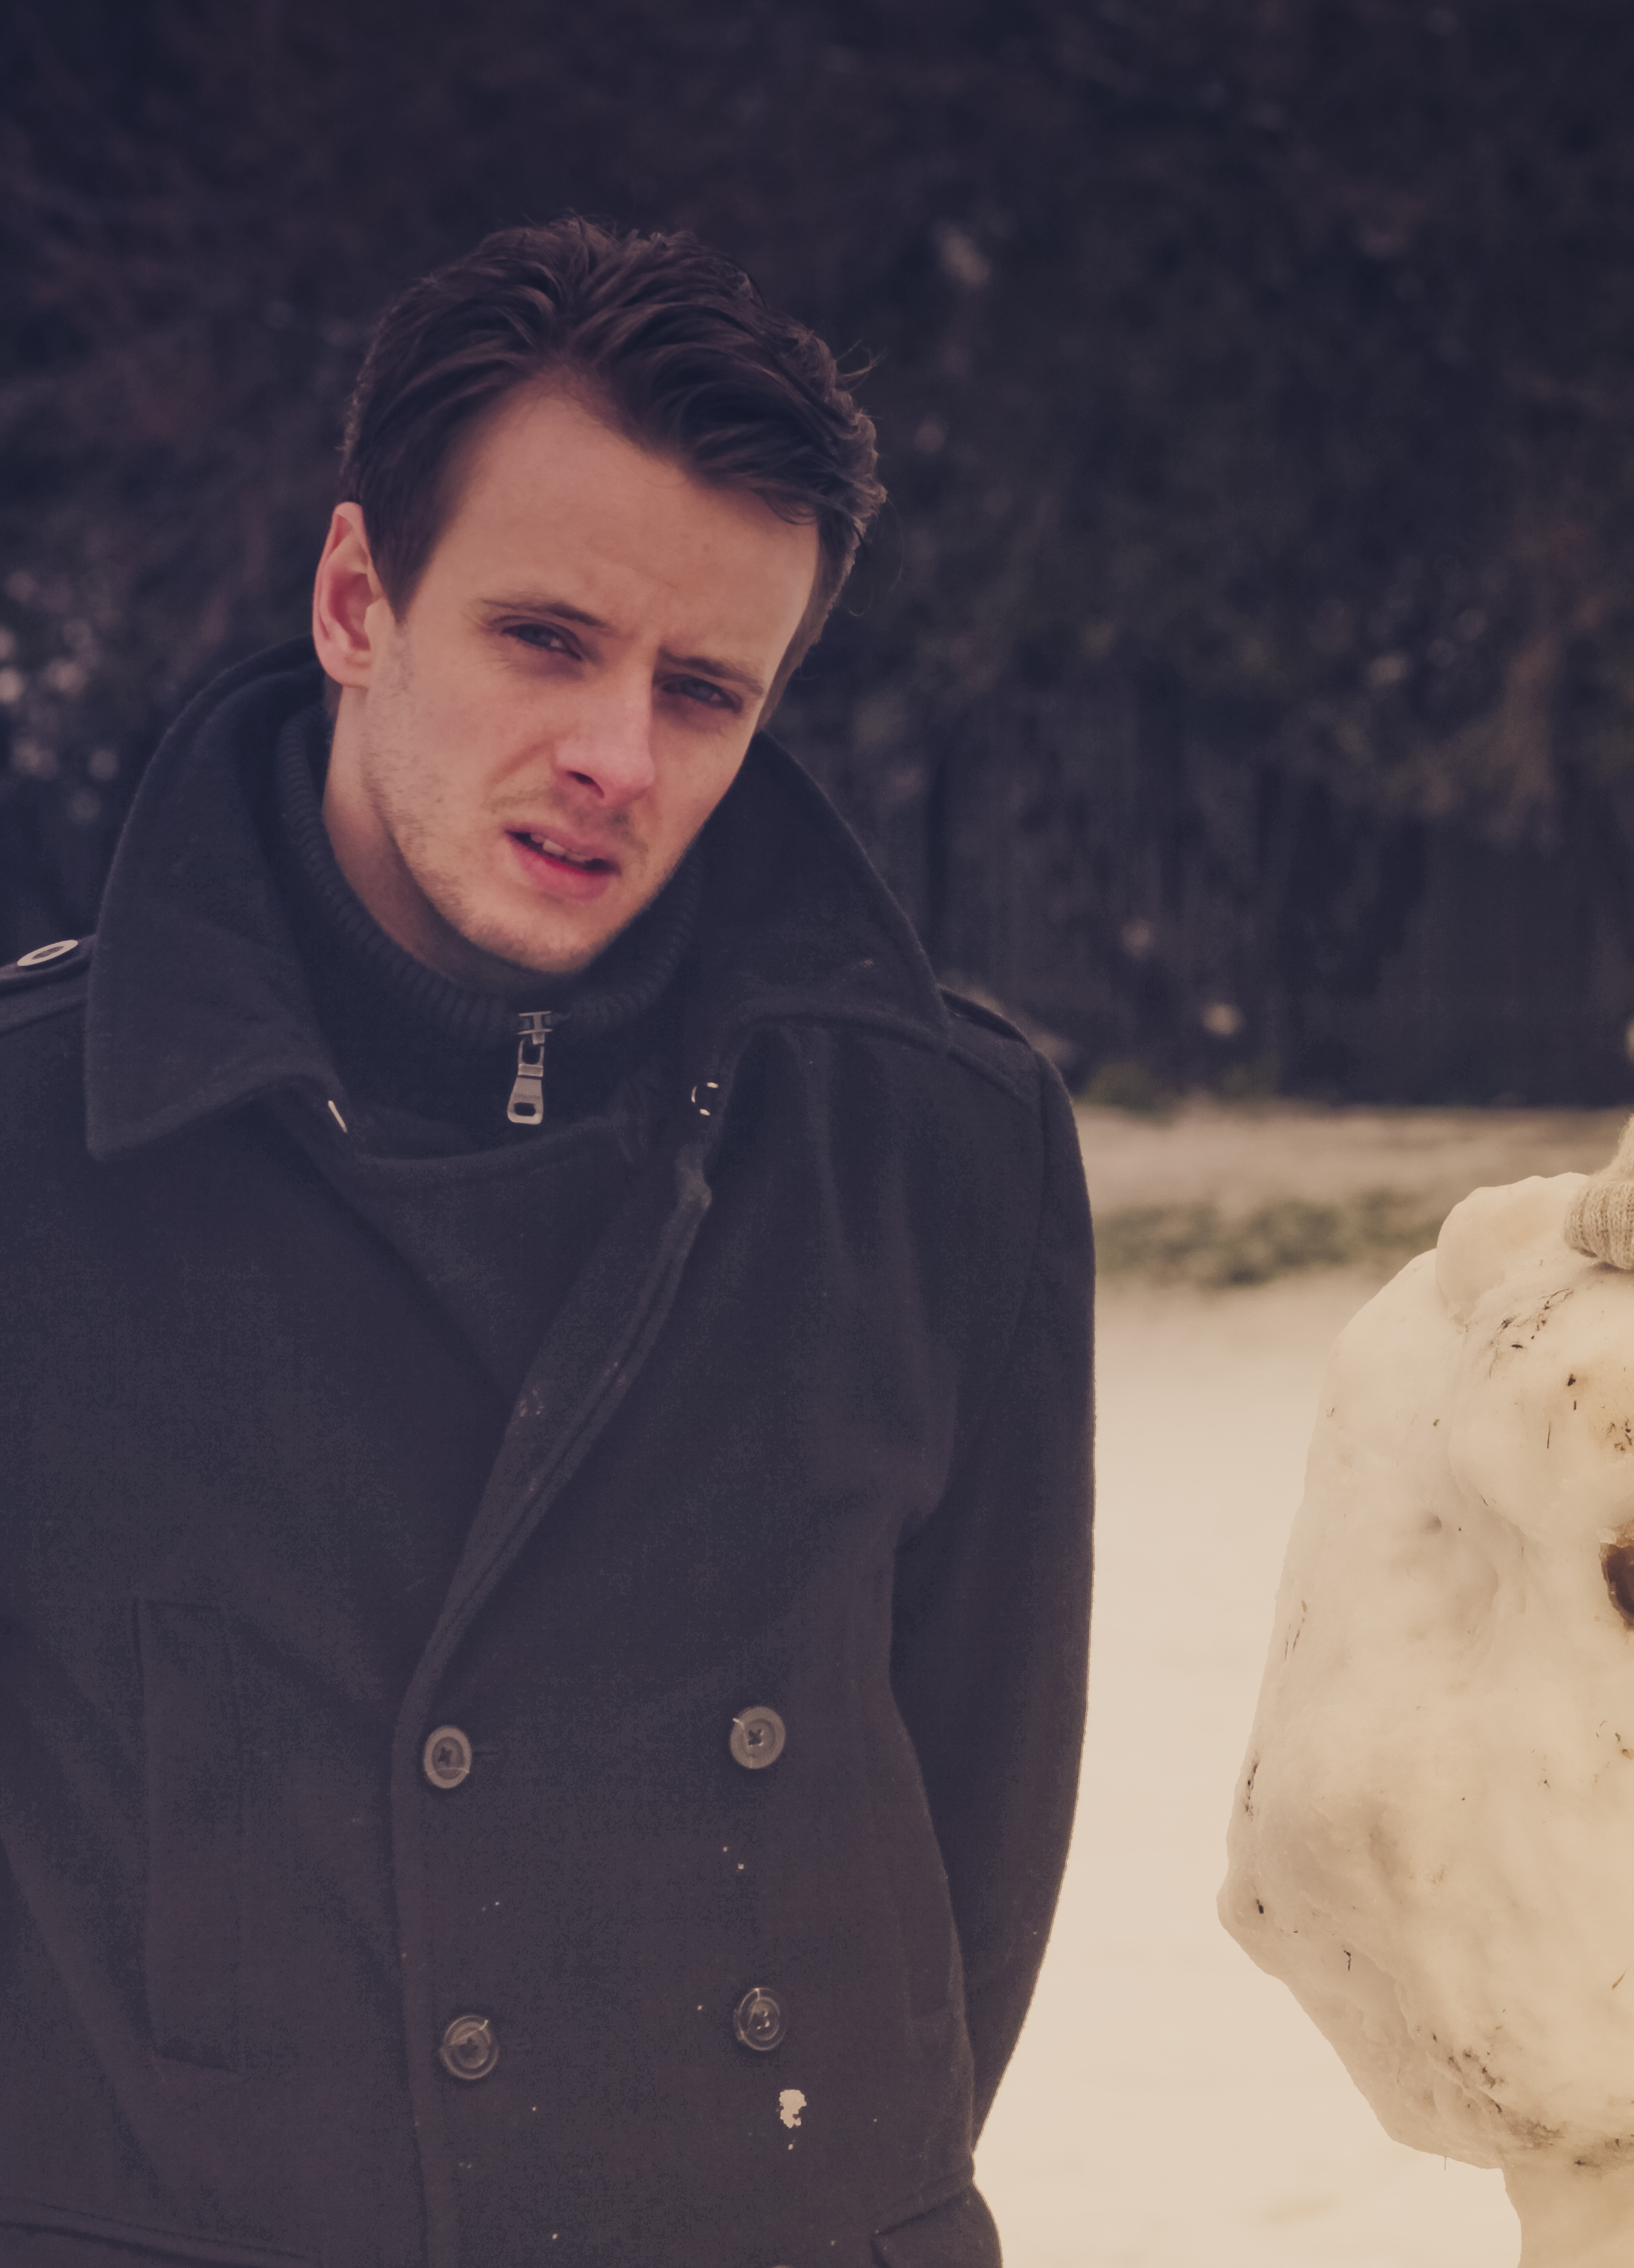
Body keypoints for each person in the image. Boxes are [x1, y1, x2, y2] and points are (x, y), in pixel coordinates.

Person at [0, 221, 1093, 2265]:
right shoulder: (27, 1157)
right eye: (545, 639)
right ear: (357, 599)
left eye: (705, 689)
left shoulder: (943, 1148)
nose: (620, 756)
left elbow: (975, 1842)